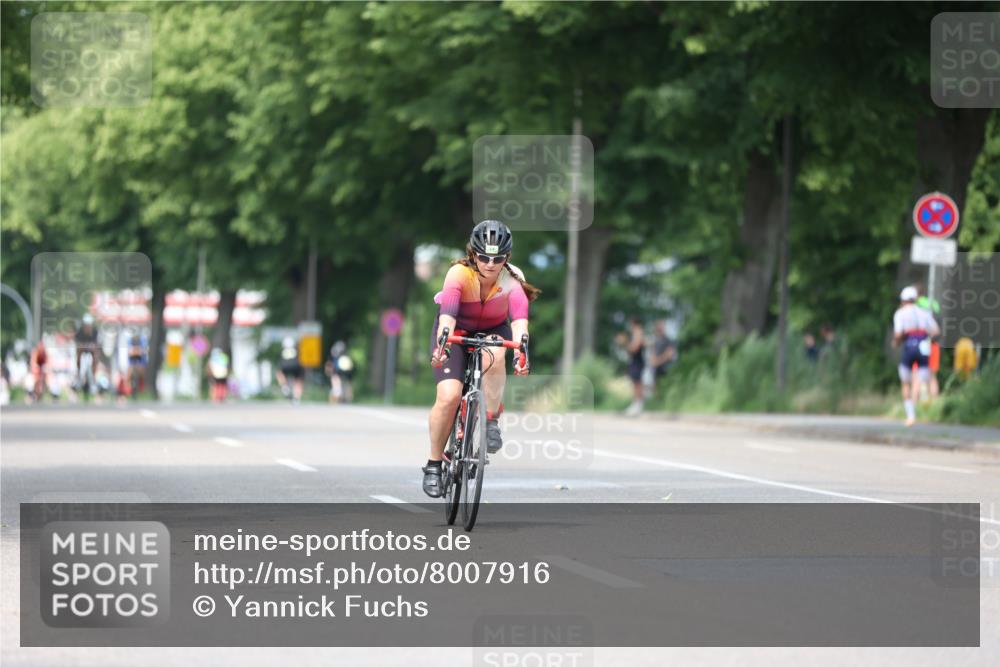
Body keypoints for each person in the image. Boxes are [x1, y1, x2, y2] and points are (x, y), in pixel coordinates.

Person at [423, 220, 539, 498]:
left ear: (506, 258)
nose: (490, 263)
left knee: (498, 352)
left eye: (497, 258)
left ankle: (490, 421)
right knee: (449, 396)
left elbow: (520, 321)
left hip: (493, 330)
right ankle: (434, 464)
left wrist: (522, 353)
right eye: (484, 257)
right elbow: (448, 315)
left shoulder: (512, 278)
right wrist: (442, 346)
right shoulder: (459, 274)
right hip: (456, 329)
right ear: (473, 254)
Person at [892, 286, 939, 427]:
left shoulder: (900, 313)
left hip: (909, 347)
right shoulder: (925, 312)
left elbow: (898, 333)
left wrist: (896, 341)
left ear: (903, 300)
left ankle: (911, 415)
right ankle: (924, 395)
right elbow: (936, 331)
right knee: (923, 376)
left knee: (906, 381)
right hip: (924, 345)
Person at [647, 319, 676, 397]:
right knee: (655, 387)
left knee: (667, 386)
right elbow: (652, 353)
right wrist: (653, 362)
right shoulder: (655, 340)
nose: (660, 328)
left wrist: (658, 361)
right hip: (656, 369)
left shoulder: (668, 340)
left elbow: (670, 354)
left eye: (661, 326)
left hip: (666, 368)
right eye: (658, 326)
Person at [623, 317, 646, 416]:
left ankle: (638, 405)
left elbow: (635, 348)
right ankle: (636, 404)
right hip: (635, 361)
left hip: (637, 361)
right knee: (635, 382)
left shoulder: (638, 332)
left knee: (637, 383)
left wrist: (625, 342)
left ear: (633, 323)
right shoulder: (637, 333)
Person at [74, 313, 100, 398]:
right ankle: (78, 374)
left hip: (91, 352)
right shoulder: (80, 332)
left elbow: (96, 344)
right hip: (82, 352)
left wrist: (93, 348)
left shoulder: (95, 331)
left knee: (95, 353)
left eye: (89, 325)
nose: (87, 327)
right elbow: (77, 344)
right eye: (86, 325)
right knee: (79, 351)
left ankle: (94, 375)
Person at [276, 336, 304, 403]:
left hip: (284, 367)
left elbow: (279, 360)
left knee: (279, 374)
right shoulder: (297, 349)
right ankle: (296, 398)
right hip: (296, 366)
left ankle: (284, 386)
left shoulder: (282, 351)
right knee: (298, 381)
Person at [127, 329, 148, 397]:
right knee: (130, 370)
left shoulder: (142, 339)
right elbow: (129, 351)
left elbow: (144, 350)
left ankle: (141, 386)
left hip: (140, 357)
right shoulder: (130, 339)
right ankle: (128, 388)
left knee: (141, 369)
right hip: (132, 357)